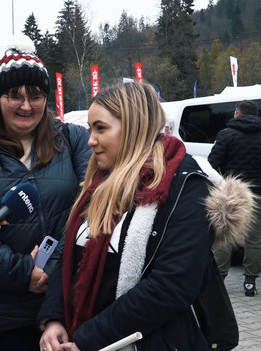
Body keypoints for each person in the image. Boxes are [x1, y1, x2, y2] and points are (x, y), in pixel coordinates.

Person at [37, 82, 253, 351]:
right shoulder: (96, 184)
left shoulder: (187, 187)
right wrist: (54, 319)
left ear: (133, 127)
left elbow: (171, 286)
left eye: (101, 128)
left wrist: (88, 338)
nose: (91, 140)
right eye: (90, 129)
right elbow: (70, 260)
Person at [0, 47, 92, 351]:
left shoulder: (73, 140)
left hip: (71, 297)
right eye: (15, 94)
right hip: (9, 310)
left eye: (36, 95)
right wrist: (24, 272)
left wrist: (52, 268)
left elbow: (90, 208)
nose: (26, 105)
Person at [208, 99, 261, 296]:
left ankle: (219, 280)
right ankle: (250, 283)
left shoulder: (226, 135)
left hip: (231, 194)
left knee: (225, 236)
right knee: (255, 240)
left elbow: (212, 164)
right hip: (257, 195)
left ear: (237, 113)